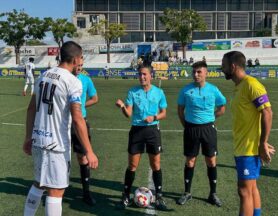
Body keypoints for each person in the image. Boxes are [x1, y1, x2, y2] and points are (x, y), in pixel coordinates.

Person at [22, 41, 98, 216]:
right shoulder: (73, 82)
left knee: (39, 183)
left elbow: (31, 108)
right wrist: (89, 151)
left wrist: (28, 137)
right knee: (56, 191)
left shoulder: (43, 76)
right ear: (76, 58)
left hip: (38, 139)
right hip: (56, 145)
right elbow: (78, 118)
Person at [221, 51, 275, 216]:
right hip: (243, 147)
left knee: (244, 191)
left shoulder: (251, 84)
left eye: (223, 66)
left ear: (233, 66)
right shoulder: (239, 86)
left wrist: (262, 143)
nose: (222, 69)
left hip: (248, 149)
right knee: (251, 189)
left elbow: (267, 112)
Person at [115, 65, 168, 211]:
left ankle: (159, 197)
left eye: (144, 74)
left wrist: (155, 117)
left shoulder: (159, 92)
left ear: (151, 75)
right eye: (139, 74)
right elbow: (129, 114)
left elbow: (164, 113)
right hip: (137, 131)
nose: (142, 77)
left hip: (152, 131)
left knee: (156, 164)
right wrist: (122, 107)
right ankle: (125, 196)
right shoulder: (132, 91)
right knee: (132, 165)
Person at [176, 61, 226, 207]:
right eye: (194, 72)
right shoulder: (186, 90)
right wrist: (186, 125)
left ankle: (213, 193)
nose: (196, 75)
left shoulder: (213, 89)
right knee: (190, 160)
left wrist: (210, 119)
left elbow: (222, 108)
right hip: (191, 128)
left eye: (199, 72)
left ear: (206, 73)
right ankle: (187, 192)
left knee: (211, 161)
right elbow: (180, 110)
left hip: (208, 129)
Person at [71, 59, 98, 205]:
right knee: (61, 156)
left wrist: (81, 106)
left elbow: (95, 98)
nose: (79, 68)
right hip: (63, 122)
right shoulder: (66, 78)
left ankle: (86, 192)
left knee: (83, 158)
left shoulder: (86, 80)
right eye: (78, 65)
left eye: (82, 66)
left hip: (80, 121)